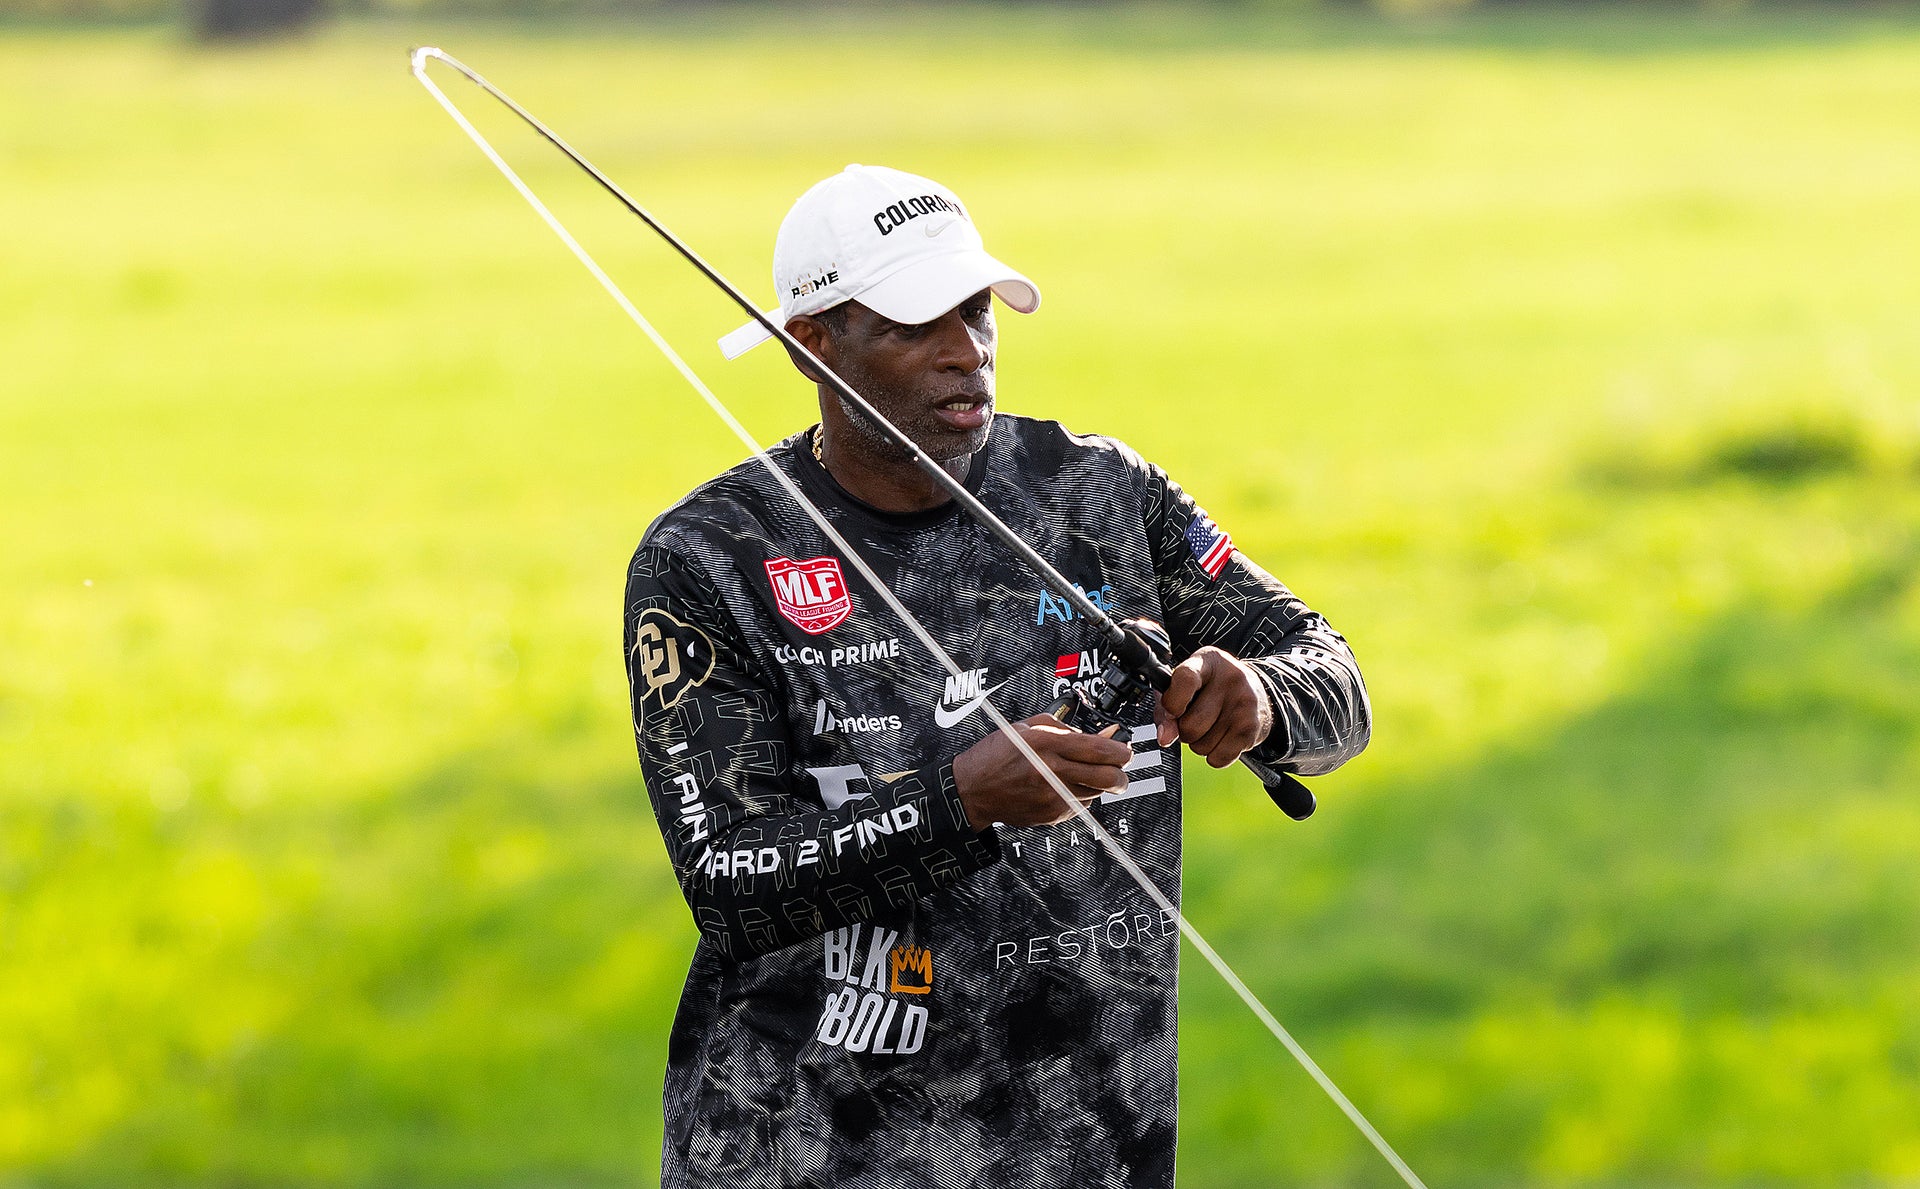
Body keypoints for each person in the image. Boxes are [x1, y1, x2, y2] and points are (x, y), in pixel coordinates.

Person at [623, 164, 1369, 1189]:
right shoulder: (708, 558)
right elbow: (730, 885)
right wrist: (959, 804)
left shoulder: (1104, 490)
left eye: (976, 311)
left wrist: (1262, 697)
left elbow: (1336, 681)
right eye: (914, 323)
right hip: (805, 1149)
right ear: (815, 345)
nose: (964, 351)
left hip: (1096, 1143)